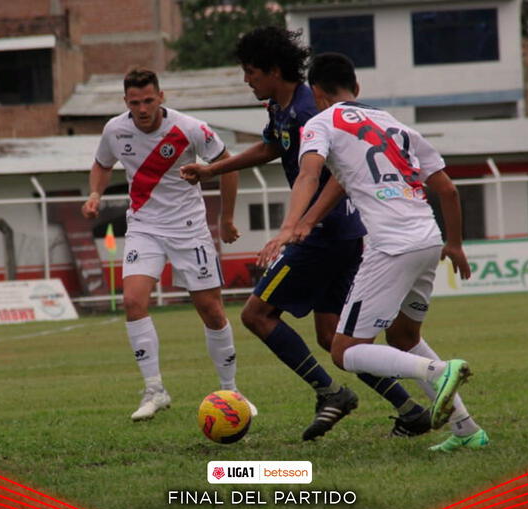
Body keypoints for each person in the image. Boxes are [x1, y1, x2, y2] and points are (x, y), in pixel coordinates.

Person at [181, 27, 431, 441]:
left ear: (274, 70)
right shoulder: (282, 109)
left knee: (256, 315)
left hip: (321, 235)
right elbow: (271, 147)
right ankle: (410, 410)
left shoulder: (306, 110)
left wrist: (295, 227)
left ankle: (330, 392)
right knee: (335, 338)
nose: (247, 80)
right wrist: (212, 169)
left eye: (251, 72)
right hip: (344, 235)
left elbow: (329, 175)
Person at [270, 52, 488, 452]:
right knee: (404, 335)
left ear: (316, 93)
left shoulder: (321, 122)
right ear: (357, 88)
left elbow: (310, 172)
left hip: (390, 248)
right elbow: (448, 190)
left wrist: (288, 225)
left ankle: (439, 371)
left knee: (344, 351)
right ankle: (467, 429)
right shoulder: (394, 125)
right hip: (427, 240)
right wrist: (454, 244)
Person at [82, 67, 255, 421]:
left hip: (189, 229)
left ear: (161, 97)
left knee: (211, 310)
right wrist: (95, 193)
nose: (142, 108)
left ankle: (231, 390)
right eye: (135, 102)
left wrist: (225, 218)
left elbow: (229, 165)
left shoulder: (189, 129)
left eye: (148, 100)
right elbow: (102, 164)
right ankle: (154, 390)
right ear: (125, 102)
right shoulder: (115, 130)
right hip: (144, 226)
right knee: (132, 301)